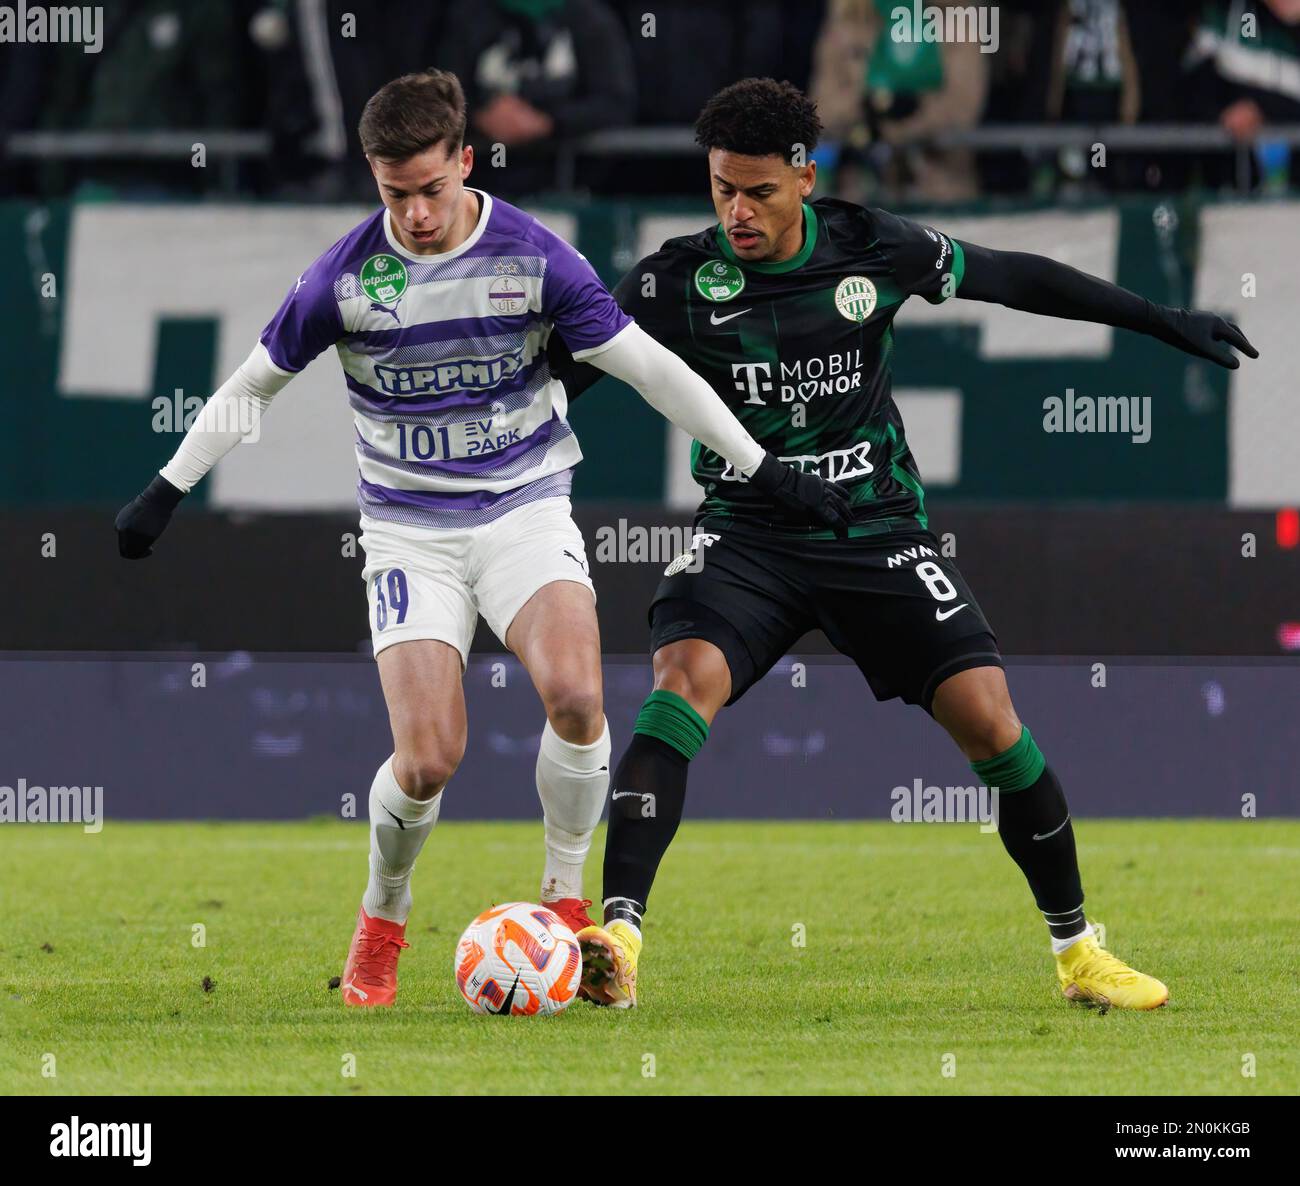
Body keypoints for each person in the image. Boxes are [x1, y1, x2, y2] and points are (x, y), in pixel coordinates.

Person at [113, 69, 849, 1008]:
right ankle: (382, 918)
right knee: (427, 760)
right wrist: (166, 490)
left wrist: (762, 466)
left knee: (579, 697)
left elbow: (651, 371)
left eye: (430, 189)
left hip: (523, 510)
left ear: (466, 161)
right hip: (410, 535)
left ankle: (567, 904)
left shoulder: (534, 257)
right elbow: (252, 386)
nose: (415, 215)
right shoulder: (344, 277)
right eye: (393, 195)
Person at [559, 77, 1257, 1011]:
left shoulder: (872, 245)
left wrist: (1161, 321)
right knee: (679, 686)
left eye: (759, 190)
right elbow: (568, 369)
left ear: (806, 176)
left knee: (992, 721)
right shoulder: (673, 280)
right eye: (722, 187)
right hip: (747, 535)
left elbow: (1015, 277)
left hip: (874, 529)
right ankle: (619, 939)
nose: (737, 210)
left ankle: (1080, 952)